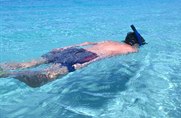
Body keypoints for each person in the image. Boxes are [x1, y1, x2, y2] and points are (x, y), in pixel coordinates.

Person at [0, 25, 146, 88]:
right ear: (135, 44)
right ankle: (11, 74)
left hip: (75, 49)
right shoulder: (130, 49)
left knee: (29, 63)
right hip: (86, 56)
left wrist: (64, 48)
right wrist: (82, 65)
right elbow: (102, 56)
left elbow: (87, 42)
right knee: (47, 76)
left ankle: (5, 67)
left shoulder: (110, 41)